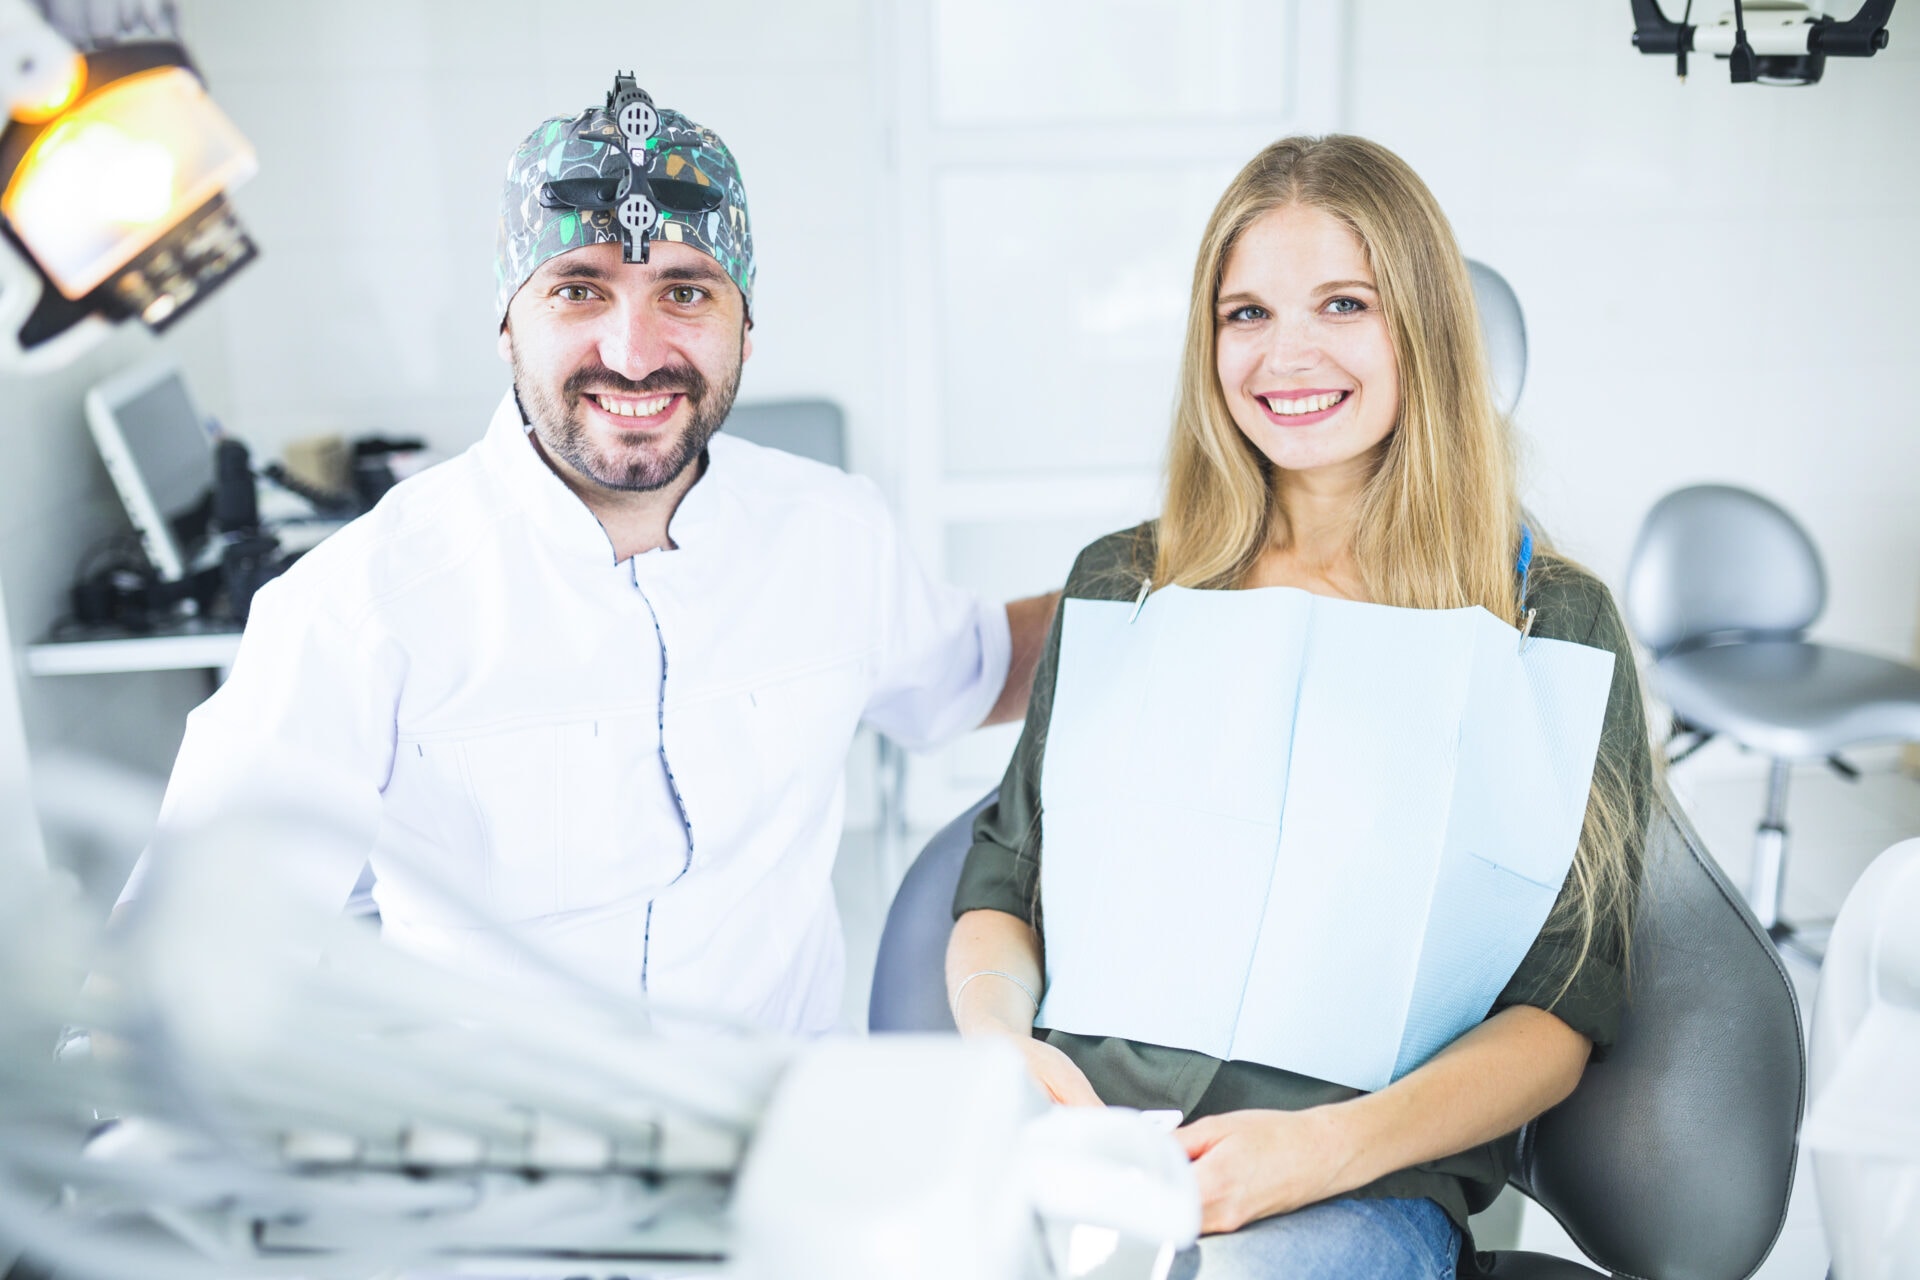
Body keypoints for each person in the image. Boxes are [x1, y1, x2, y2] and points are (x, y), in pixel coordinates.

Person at [133, 78, 1057, 1036]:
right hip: (500, 1158)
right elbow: (191, 948)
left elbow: (980, 667)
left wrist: (1188, 571)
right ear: (507, 320)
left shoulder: (832, 534)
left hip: (785, 1133)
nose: (633, 350)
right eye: (580, 290)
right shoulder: (361, 603)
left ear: (745, 323)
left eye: (685, 291)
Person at [947, 135, 1654, 1277]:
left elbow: (1561, 1006)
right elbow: (999, 882)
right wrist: (999, 1042)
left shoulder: (1541, 626)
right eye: (1246, 314)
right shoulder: (1127, 586)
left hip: (1349, 1190)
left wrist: (1321, 1151)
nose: (1289, 354)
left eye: (1343, 302)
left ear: (1421, 325)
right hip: (1085, 1156)